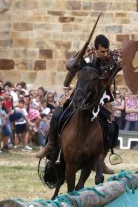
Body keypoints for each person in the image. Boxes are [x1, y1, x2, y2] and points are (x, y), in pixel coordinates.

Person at [35, 34, 120, 174]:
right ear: (95, 49)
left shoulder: (113, 59)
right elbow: (70, 64)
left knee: (112, 126)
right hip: (81, 94)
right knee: (58, 113)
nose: (105, 54)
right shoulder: (87, 56)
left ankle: (101, 159)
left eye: (107, 51)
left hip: (102, 98)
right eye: (102, 51)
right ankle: (51, 144)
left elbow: (130, 64)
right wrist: (73, 63)